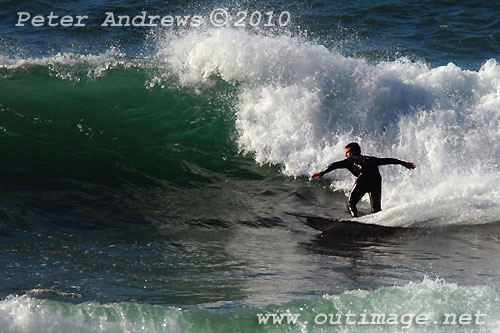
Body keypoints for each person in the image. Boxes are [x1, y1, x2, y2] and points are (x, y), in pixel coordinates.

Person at [311, 142, 415, 217]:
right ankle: (381, 223)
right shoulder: (372, 159)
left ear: (351, 153)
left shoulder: (350, 160)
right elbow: (388, 160)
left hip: (364, 177)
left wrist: (322, 173)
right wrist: (404, 163)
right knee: (376, 209)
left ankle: (355, 221)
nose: (345, 155)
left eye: (347, 152)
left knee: (351, 203)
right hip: (376, 179)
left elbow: (334, 165)